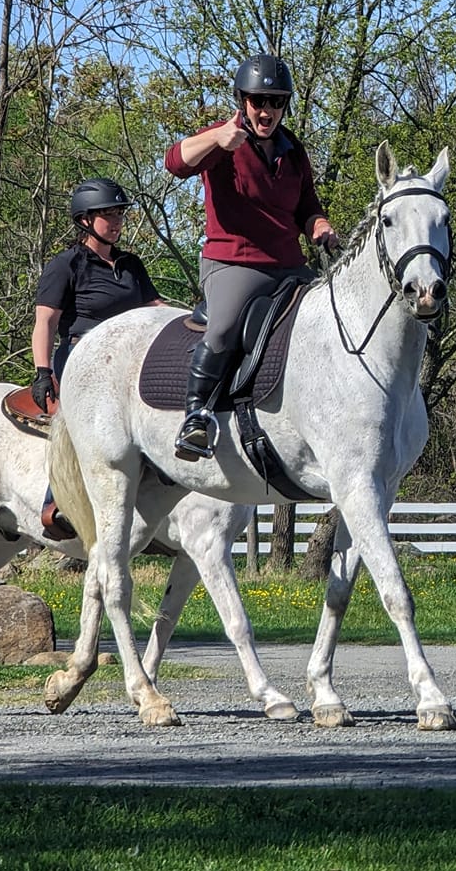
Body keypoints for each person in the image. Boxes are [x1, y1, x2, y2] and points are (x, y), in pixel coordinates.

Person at [164, 53, 340, 459]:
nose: (267, 110)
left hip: (289, 266)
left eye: (277, 102)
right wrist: (216, 140)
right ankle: (196, 417)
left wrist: (318, 225)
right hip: (234, 263)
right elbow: (174, 162)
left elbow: (307, 206)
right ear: (242, 100)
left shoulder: (292, 149)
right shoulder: (223, 138)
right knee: (224, 327)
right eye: (259, 101)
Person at [31, 176, 162, 538]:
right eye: (108, 214)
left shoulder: (131, 265)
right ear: (85, 220)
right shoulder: (67, 265)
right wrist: (43, 371)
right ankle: (56, 503)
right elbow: (45, 321)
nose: (117, 221)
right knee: (81, 423)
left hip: (128, 357)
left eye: (120, 213)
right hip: (80, 356)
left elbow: (157, 307)